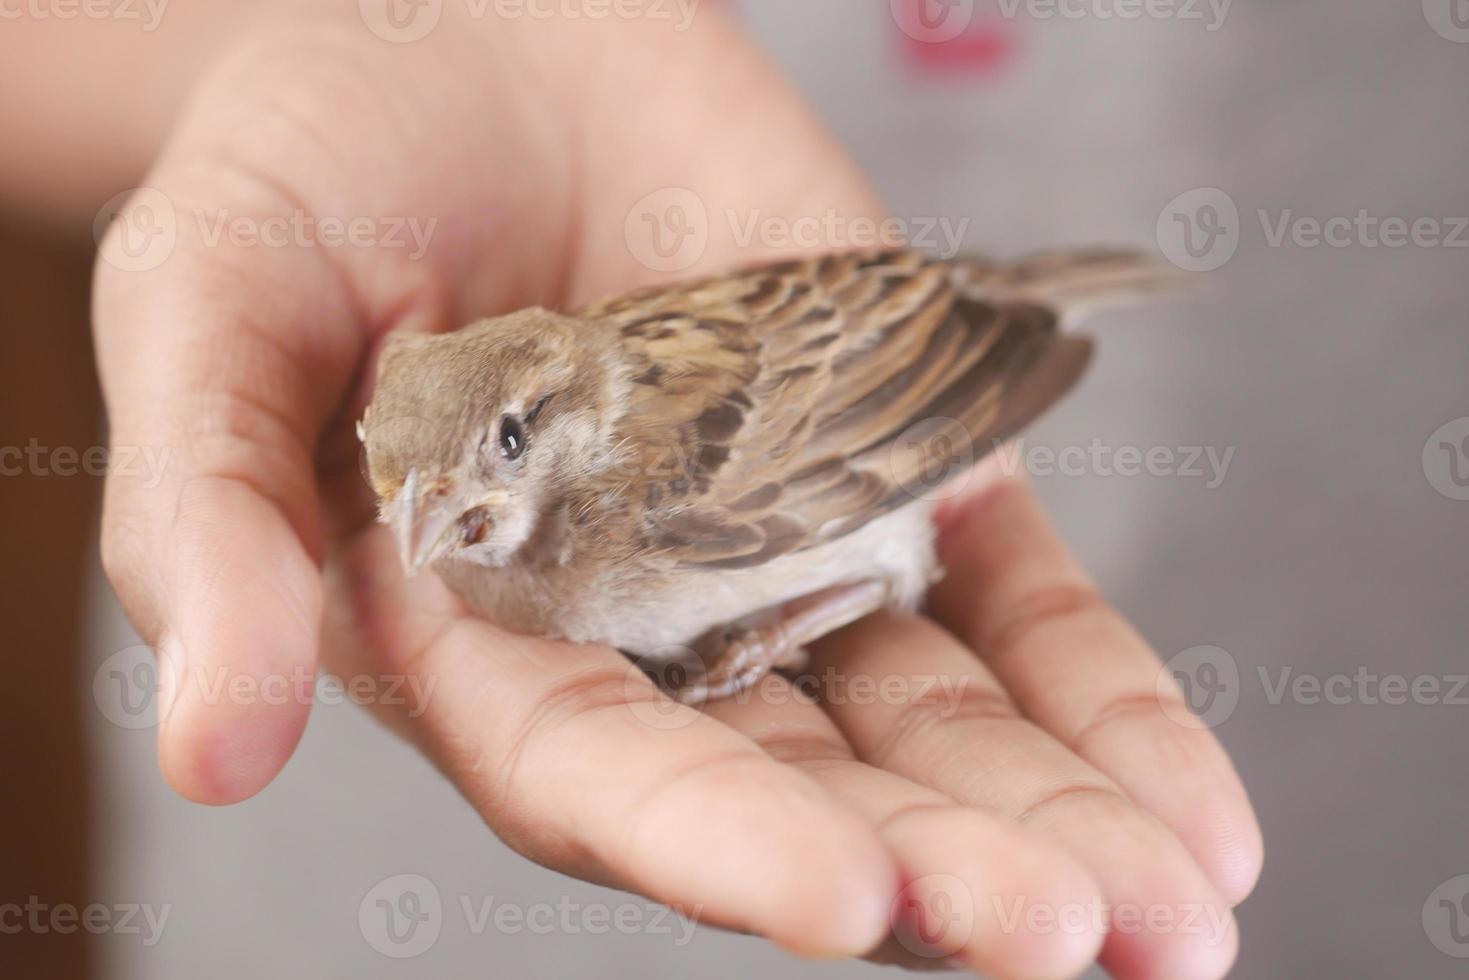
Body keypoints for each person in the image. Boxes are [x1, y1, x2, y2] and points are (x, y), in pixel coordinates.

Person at [5, 3, 1261, 976]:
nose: (429, 527)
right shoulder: (449, 494)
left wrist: (762, 634)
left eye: (495, 452)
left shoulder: (644, 489)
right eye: (406, 487)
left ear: (559, 412)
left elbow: (880, 458)